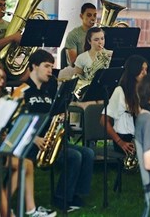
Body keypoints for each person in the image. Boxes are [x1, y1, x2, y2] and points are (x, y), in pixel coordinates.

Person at [0, 62, 56, 217]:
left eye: (3, 78)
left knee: (26, 164)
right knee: (17, 166)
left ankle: (29, 208)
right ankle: (6, 210)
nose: (1, 81)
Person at [24, 49, 94, 212]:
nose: (50, 70)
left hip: (49, 141)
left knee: (88, 153)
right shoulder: (24, 91)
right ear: (34, 66)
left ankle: (75, 195)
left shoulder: (49, 91)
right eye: (46, 66)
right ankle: (61, 198)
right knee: (74, 156)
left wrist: (62, 116)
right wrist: (34, 138)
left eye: (52, 66)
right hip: (32, 143)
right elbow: (15, 123)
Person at [99, 55, 148, 156]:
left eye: (146, 69)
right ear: (133, 70)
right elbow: (103, 120)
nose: (145, 73)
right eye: (141, 69)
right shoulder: (120, 91)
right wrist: (120, 142)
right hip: (124, 139)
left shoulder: (142, 91)